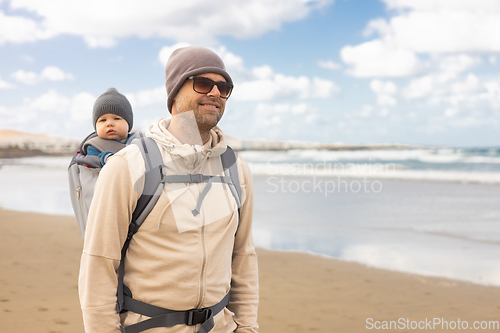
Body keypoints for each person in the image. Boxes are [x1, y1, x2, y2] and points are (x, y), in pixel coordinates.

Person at [78, 46, 259, 333]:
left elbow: (243, 257)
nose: (215, 93)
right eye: (203, 83)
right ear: (175, 93)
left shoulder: (236, 169)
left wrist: (247, 327)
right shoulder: (128, 166)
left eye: (223, 87)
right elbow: (98, 264)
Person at [84, 88, 135, 166]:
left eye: (116, 118)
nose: (109, 124)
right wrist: (106, 157)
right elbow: (92, 163)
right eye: (103, 120)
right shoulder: (94, 146)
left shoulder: (138, 143)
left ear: (128, 124)